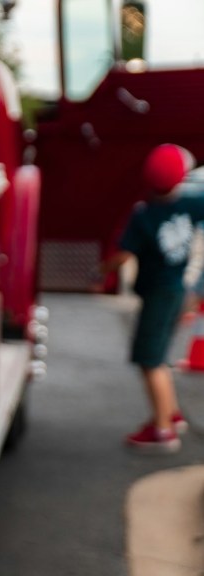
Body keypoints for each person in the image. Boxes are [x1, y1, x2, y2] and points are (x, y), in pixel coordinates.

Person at [103, 144, 203, 453]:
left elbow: (124, 254)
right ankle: (170, 414)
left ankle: (162, 430)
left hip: (157, 294)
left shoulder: (143, 214)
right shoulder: (191, 204)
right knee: (158, 355)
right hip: (177, 290)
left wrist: (102, 270)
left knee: (150, 360)